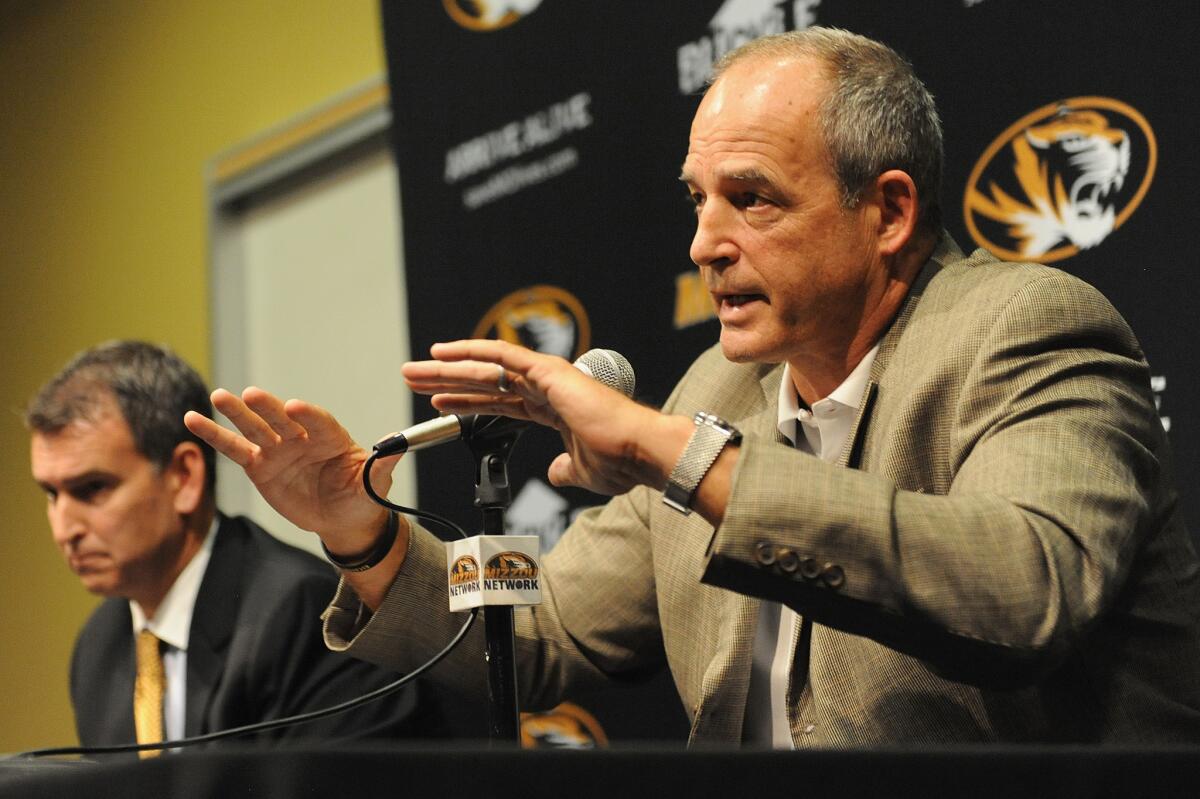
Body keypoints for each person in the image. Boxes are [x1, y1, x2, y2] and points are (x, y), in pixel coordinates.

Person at [186, 28, 1200, 746]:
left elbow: (1024, 590)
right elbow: (542, 634)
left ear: (888, 212)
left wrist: (670, 452)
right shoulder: (722, 381)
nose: (704, 244)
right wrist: (362, 533)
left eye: (751, 199)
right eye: (697, 199)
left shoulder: (1021, 327)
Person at [28, 340, 442, 757]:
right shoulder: (100, 644)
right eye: (51, 493)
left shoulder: (298, 612)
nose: (65, 527)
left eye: (92, 488)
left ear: (184, 477)